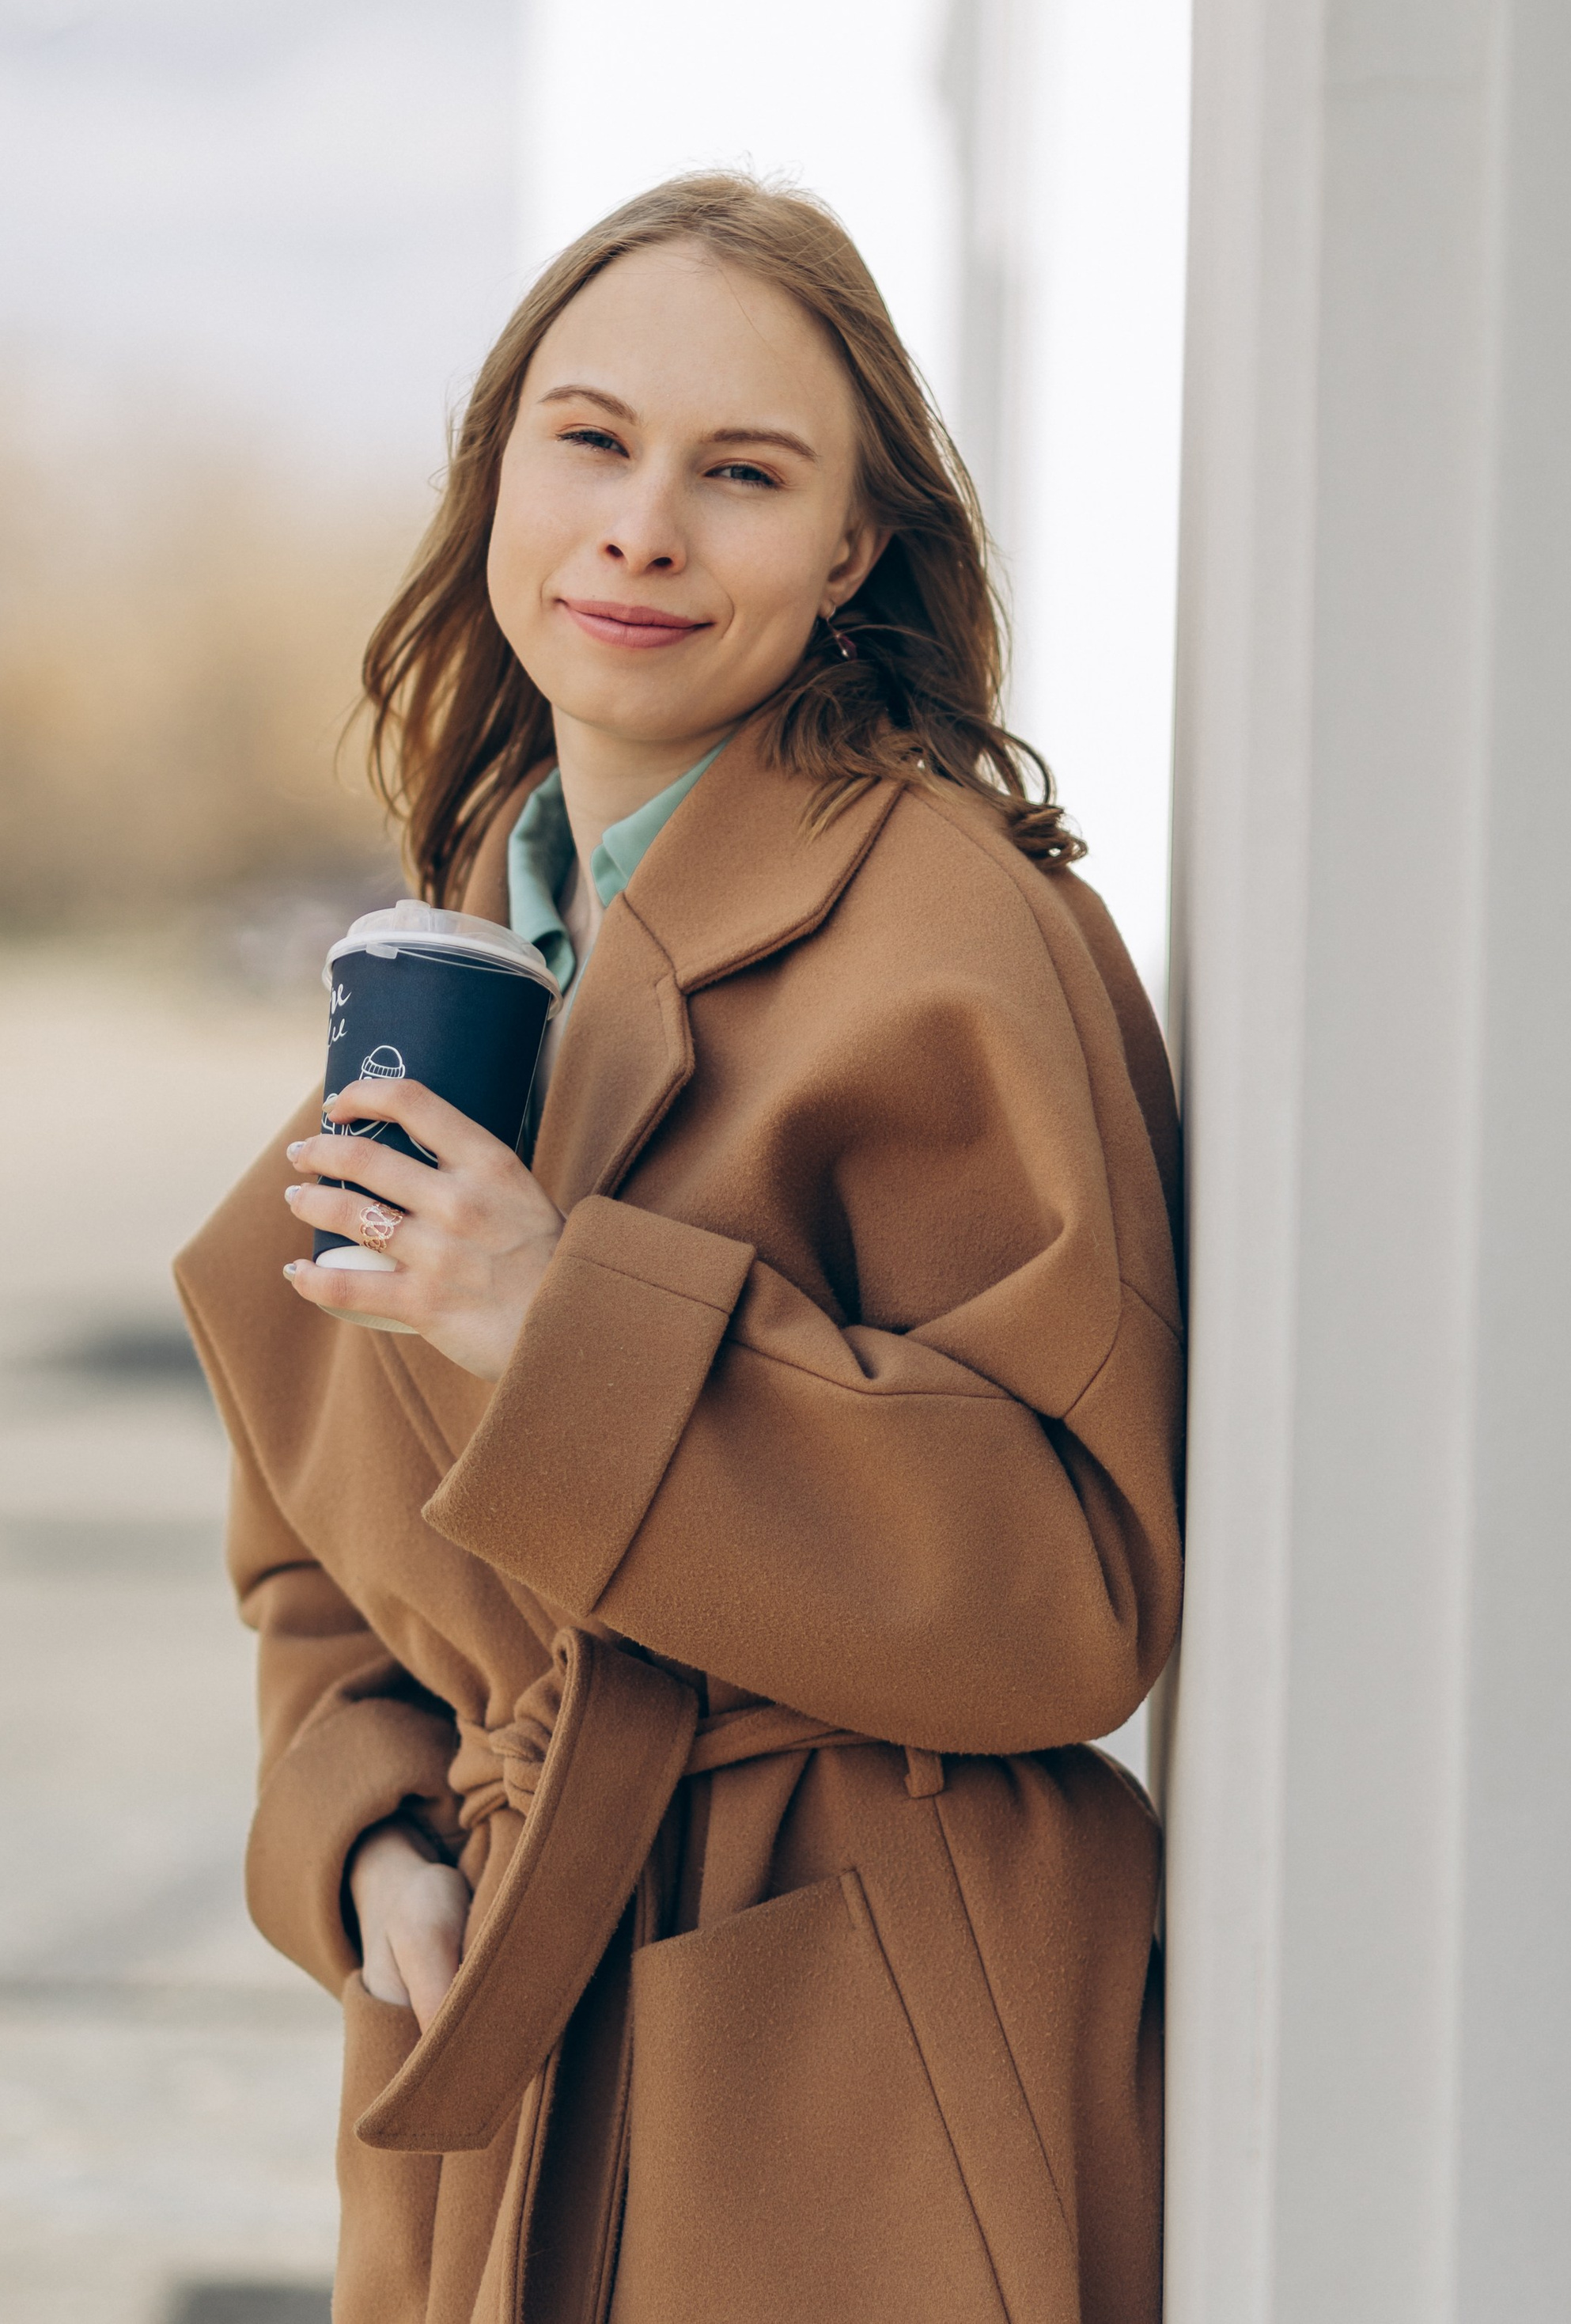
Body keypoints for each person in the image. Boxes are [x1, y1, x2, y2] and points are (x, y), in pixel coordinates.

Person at [174, 172, 1184, 2324]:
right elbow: (319, 1561)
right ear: (498, 474)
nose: (642, 527)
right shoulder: (474, 941)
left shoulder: (956, 928)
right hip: (517, 2014)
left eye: (743, 474)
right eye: (593, 440)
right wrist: (364, 1832)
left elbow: (1074, 1583)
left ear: (854, 549)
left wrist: (554, 1313)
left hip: (850, 2036)